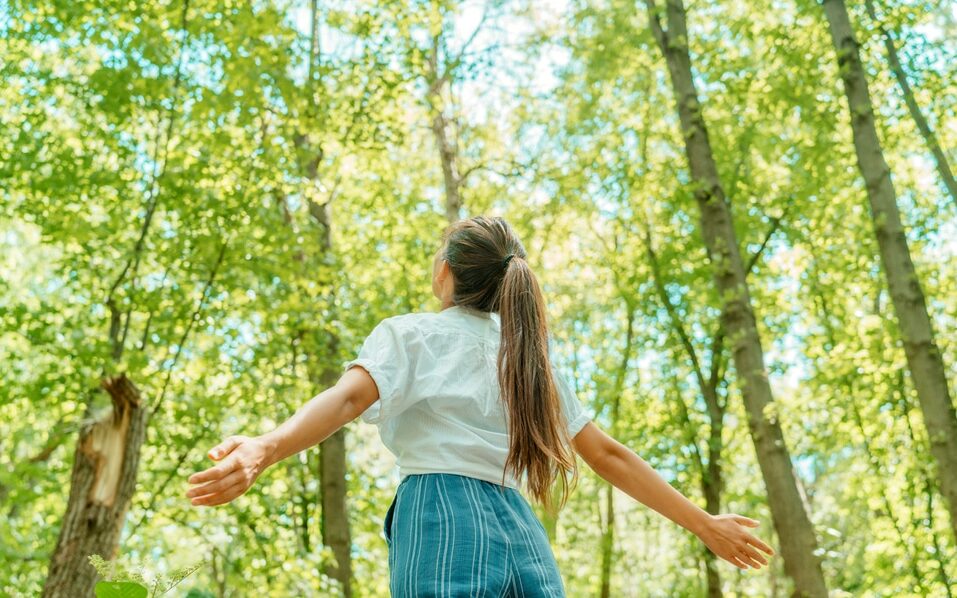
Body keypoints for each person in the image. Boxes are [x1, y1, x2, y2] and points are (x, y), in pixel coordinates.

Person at [186, 215, 775, 596]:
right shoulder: (530, 359)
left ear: (445, 271)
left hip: (440, 512)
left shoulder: (413, 333)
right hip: (519, 527)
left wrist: (266, 446)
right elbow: (608, 454)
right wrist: (704, 523)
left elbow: (345, 402)